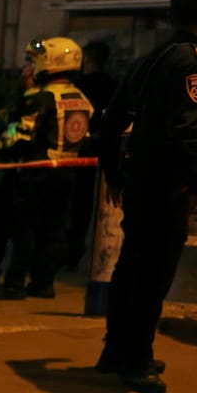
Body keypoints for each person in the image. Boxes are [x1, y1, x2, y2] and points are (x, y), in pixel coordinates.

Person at [94, 0, 197, 393]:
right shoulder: (195, 63)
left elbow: (111, 122)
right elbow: (188, 131)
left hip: (138, 180)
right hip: (167, 185)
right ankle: (138, 360)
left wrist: (114, 173)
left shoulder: (148, 60)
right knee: (153, 274)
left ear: (170, 15)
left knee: (131, 266)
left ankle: (115, 350)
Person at [0, 37, 93, 300]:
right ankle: (43, 283)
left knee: (25, 230)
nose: (30, 66)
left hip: (35, 174)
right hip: (67, 174)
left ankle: (14, 284)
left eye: (34, 60)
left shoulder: (41, 99)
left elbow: (18, 137)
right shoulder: (82, 99)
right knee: (53, 229)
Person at [66, 38, 120, 269]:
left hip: (74, 151)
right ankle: (74, 253)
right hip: (97, 151)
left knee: (70, 205)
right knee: (83, 206)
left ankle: (63, 254)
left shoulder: (77, 85)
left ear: (86, 58)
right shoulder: (111, 85)